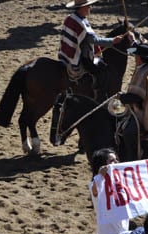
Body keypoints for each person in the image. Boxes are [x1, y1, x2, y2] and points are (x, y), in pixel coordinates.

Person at [51, 0, 134, 137]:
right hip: (79, 59)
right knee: (102, 70)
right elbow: (93, 40)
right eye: (88, 6)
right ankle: (99, 97)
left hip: (66, 56)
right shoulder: (81, 23)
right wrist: (113, 41)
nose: (90, 7)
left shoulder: (72, 18)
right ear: (82, 8)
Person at [117, 42, 148, 158]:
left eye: (136, 55)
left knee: (128, 132)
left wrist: (122, 97)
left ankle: (133, 158)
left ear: (140, 57)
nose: (135, 57)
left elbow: (137, 97)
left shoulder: (142, 73)